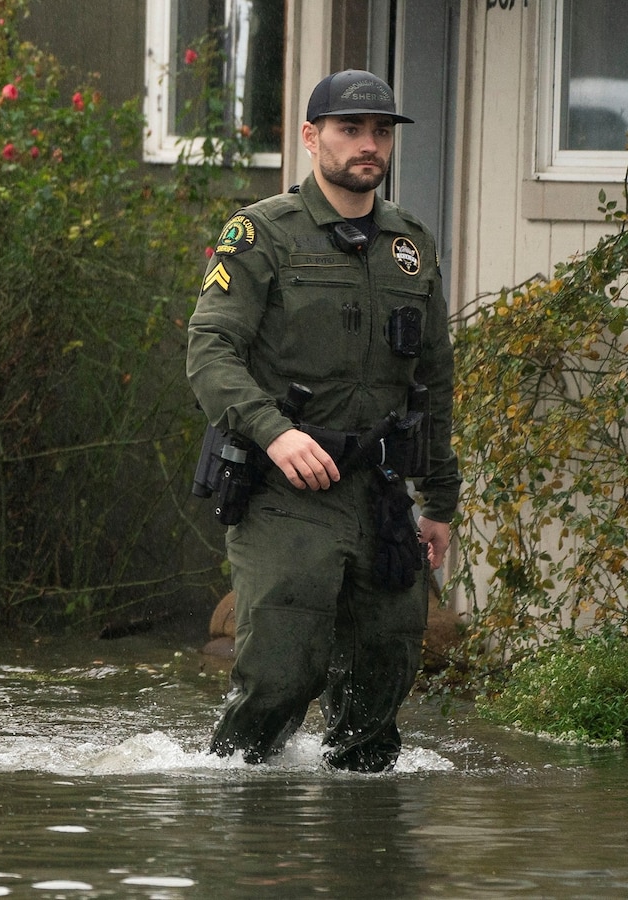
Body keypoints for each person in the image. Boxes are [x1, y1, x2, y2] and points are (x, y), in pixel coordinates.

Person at [186, 70, 461, 772]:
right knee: (282, 673)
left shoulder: (411, 245)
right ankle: (235, 802)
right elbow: (211, 350)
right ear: (311, 137)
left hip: (381, 492)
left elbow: (434, 379)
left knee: (384, 680)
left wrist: (440, 502)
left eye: (381, 131)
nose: (369, 144)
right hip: (287, 490)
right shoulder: (262, 233)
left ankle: (359, 827)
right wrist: (274, 431)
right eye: (350, 129)